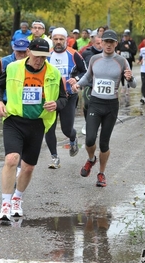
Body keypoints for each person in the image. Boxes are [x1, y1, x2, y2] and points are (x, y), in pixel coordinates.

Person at [0, 38, 67, 221]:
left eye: (43, 57)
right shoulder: (12, 68)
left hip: (37, 123)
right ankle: (5, 204)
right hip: (14, 120)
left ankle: (17, 198)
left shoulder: (54, 73)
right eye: (36, 56)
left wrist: (56, 104)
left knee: (27, 168)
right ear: (28, 52)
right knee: (12, 159)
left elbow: (64, 98)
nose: (39, 60)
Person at [73, 30, 136, 187]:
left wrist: (130, 78)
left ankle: (101, 174)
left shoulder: (121, 61)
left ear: (116, 44)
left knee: (104, 144)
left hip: (111, 106)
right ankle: (91, 159)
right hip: (95, 103)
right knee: (89, 139)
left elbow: (132, 84)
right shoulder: (94, 59)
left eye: (111, 42)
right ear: (101, 43)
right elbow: (87, 76)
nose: (108, 45)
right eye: (105, 42)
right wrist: (77, 84)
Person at [46, 27, 85, 169]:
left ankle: (73, 138)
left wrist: (76, 79)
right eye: (55, 39)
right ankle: (54, 158)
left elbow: (85, 72)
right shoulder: (46, 55)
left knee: (66, 130)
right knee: (48, 128)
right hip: (50, 98)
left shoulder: (74, 54)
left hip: (69, 96)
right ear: (52, 39)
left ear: (66, 40)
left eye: (61, 39)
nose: (58, 42)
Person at [0, 38, 29, 177]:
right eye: (18, 52)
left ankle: (19, 163)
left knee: (26, 136)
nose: (21, 55)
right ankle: (15, 165)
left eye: (24, 52)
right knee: (13, 135)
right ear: (13, 49)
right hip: (9, 104)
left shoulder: (33, 62)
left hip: (27, 104)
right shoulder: (5, 62)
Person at [80, 35, 103, 135]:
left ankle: (97, 123)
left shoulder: (107, 54)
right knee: (87, 104)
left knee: (100, 106)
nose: (100, 45)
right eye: (98, 43)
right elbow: (80, 67)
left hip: (101, 84)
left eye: (102, 43)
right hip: (89, 84)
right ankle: (88, 123)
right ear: (92, 43)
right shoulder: (86, 53)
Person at [117, 31, 137, 106]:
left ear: (129, 37)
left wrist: (129, 49)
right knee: (122, 74)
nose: (125, 38)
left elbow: (134, 52)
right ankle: (123, 86)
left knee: (128, 74)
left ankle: (128, 88)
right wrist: (118, 51)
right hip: (122, 61)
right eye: (124, 36)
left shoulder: (132, 43)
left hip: (129, 61)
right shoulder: (120, 43)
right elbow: (117, 50)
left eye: (126, 36)